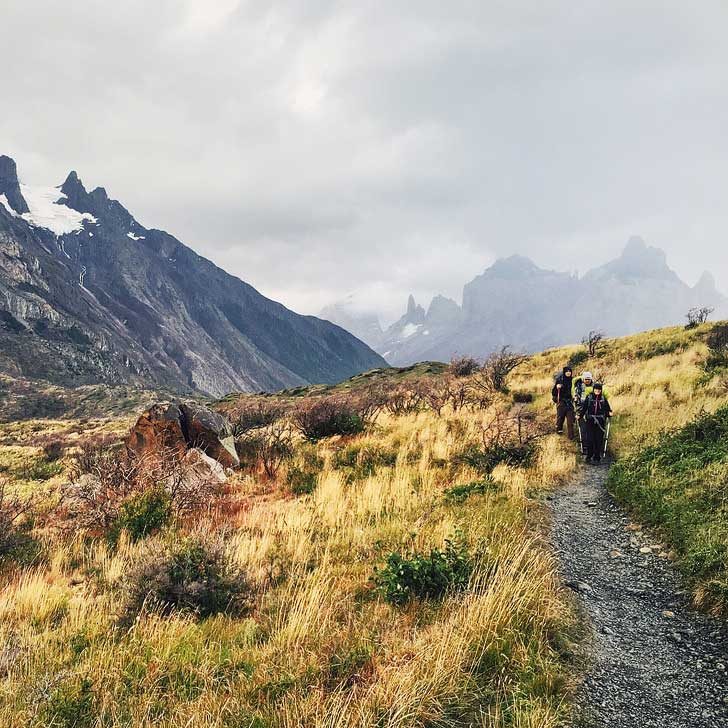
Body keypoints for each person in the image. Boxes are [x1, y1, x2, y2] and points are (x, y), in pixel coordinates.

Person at [580, 382, 612, 463]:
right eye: (596, 389)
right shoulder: (589, 397)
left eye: (599, 390)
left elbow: (607, 409)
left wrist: (609, 413)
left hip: (600, 422)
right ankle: (589, 456)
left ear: (601, 390)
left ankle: (597, 457)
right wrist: (580, 416)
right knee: (590, 439)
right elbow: (584, 408)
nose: (597, 391)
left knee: (599, 440)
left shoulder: (603, 399)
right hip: (590, 421)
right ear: (593, 389)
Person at [551, 365, 575, 439]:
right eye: (567, 371)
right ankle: (559, 433)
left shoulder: (573, 381)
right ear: (564, 372)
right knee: (560, 419)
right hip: (561, 402)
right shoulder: (560, 380)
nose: (568, 373)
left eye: (569, 371)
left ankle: (571, 437)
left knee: (570, 421)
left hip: (570, 403)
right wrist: (557, 387)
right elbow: (554, 393)